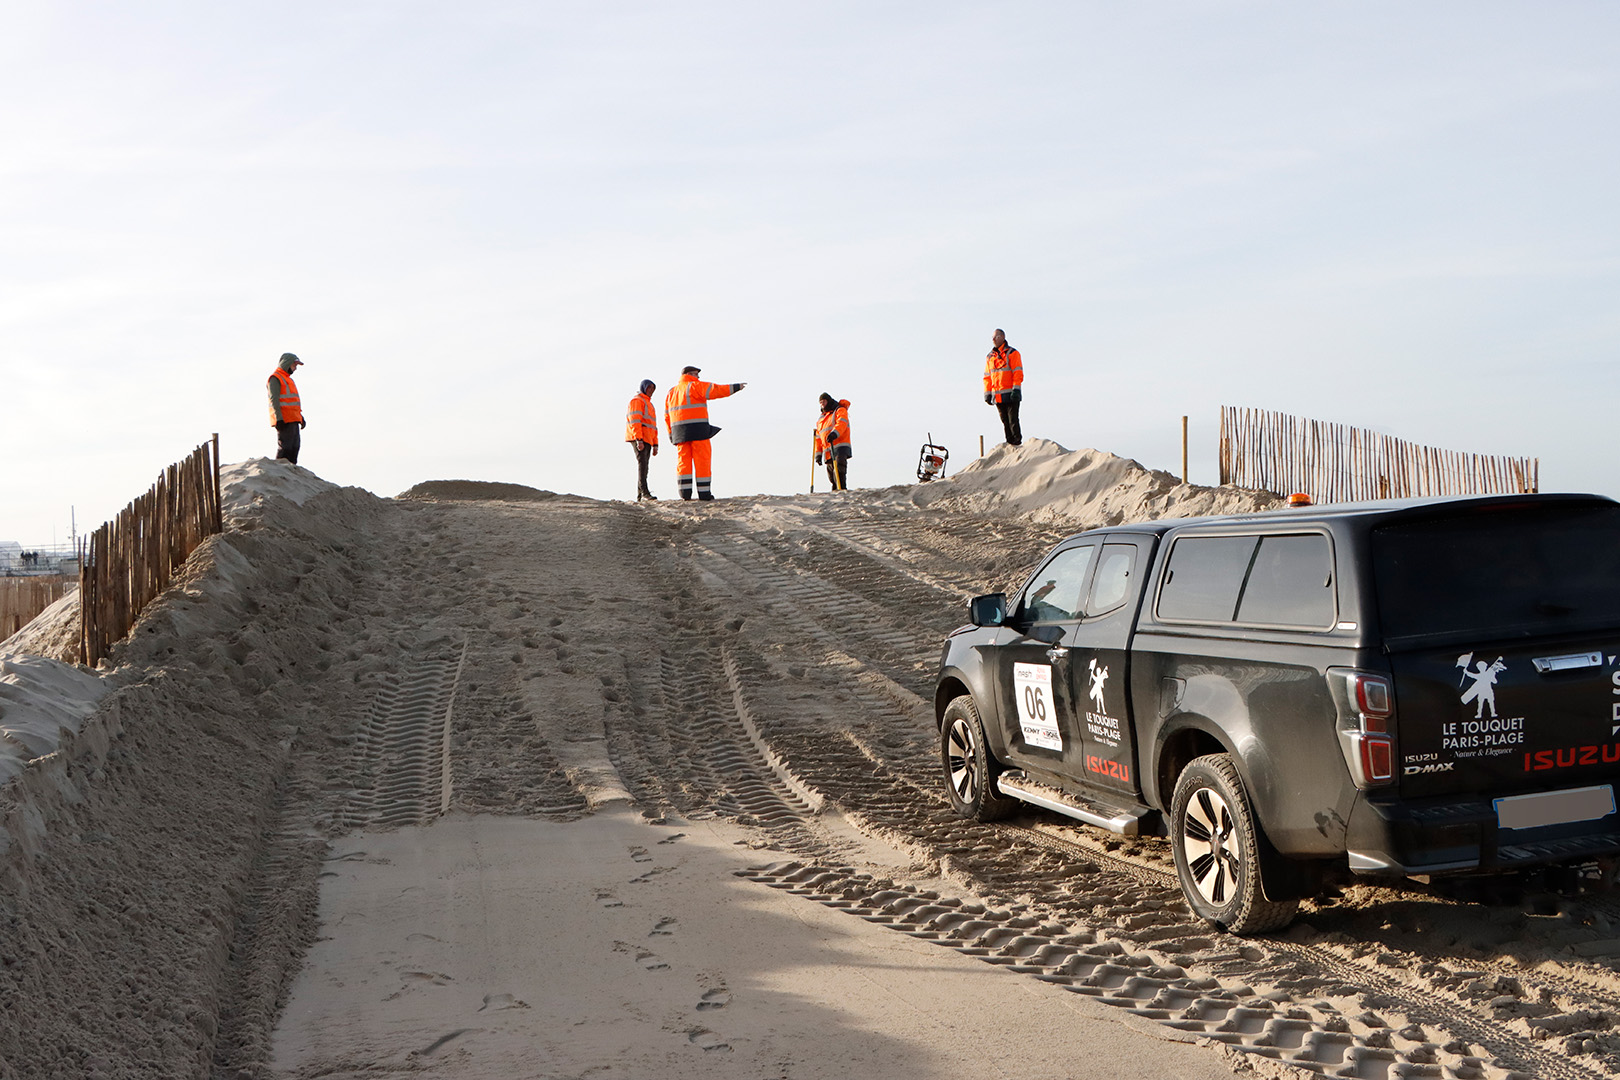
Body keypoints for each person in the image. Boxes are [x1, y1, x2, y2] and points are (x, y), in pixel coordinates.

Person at [664, 365, 746, 500]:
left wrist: (671, 434)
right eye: (697, 374)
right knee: (702, 460)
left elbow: (666, 415)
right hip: (698, 430)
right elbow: (716, 390)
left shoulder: (671, 392)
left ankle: (684, 494)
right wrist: (736, 387)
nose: (698, 377)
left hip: (679, 432)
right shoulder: (695, 386)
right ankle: (704, 493)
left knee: (683, 462)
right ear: (691, 374)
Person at [983, 328, 1023, 446]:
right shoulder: (990, 357)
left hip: (1011, 393)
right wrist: (987, 393)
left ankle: (1016, 444)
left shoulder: (1012, 353)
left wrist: (1016, 389)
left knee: (1013, 421)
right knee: (1005, 422)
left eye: (996, 337)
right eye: (993, 337)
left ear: (1003, 337)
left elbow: (1017, 372)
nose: (993, 339)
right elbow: (987, 376)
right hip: (998, 395)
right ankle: (1009, 443)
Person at [268, 352, 306, 464]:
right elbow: (274, 400)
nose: (295, 369)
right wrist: (279, 418)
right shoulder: (275, 378)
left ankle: (289, 475)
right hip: (284, 420)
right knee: (286, 449)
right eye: (294, 365)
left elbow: (292, 403)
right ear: (287, 363)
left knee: (294, 448)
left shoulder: (288, 379)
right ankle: (278, 473)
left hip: (293, 419)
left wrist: (300, 417)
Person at [626, 379, 660, 501]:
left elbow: (653, 425)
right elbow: (635, 421)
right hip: (640, 438)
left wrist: (655, 443)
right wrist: (638, 439)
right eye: (649, 388)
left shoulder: (649, 404)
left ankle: (640, 495)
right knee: (642, 464)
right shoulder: (637, 401)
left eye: (653, 389)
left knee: (645, 465)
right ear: (644, 388)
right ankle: (644, 493)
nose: (651, 391)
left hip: (648, 438)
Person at [813, 393, 852, 491]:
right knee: (831, 476)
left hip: (840, 447)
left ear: (828, 401)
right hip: (828, 451)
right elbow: (818, 438)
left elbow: (841, 423)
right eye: (820, 403)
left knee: (839, 472)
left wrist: (834, 433)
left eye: (824, 402)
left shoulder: (840, 410)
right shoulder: (821, 419)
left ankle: (842, 491)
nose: (822, 404)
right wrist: (818, 454)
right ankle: (835, 491)